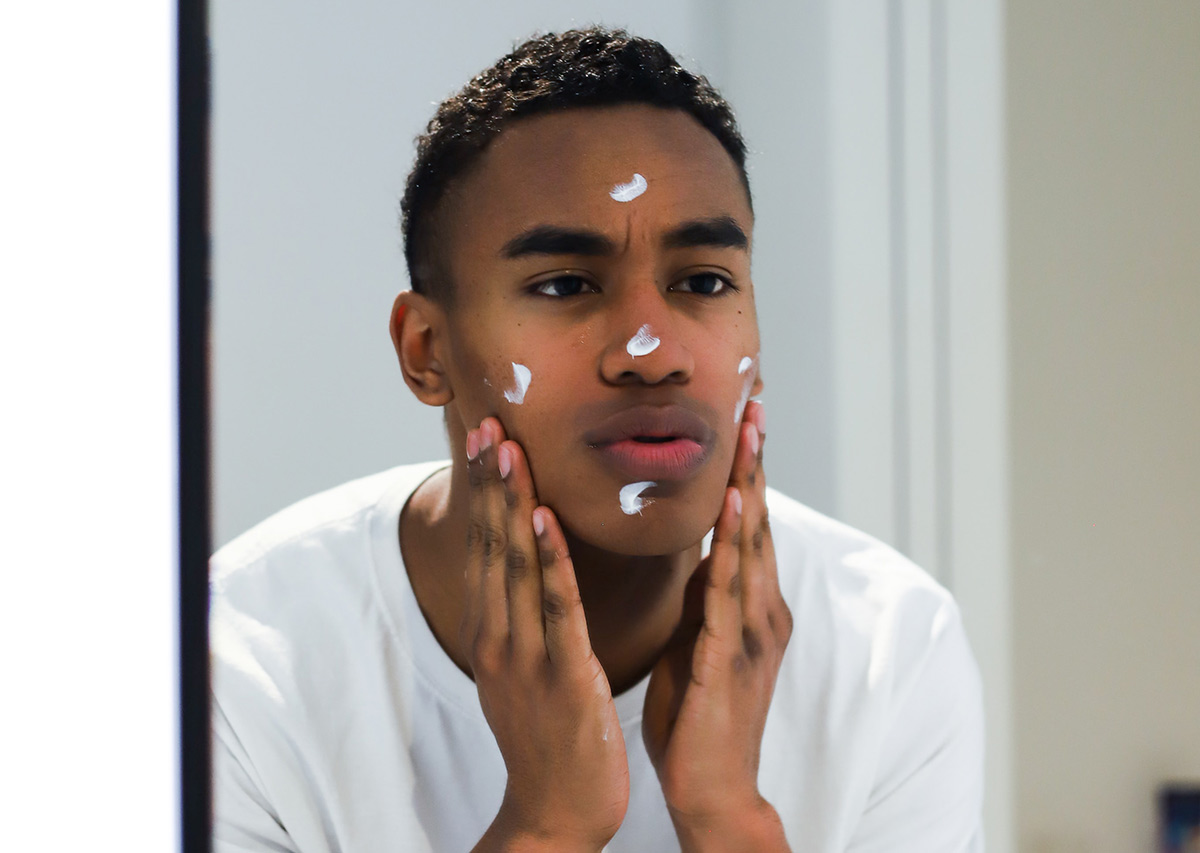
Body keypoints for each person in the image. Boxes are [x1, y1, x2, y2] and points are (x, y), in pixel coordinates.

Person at [211, 27, 984, 853]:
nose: (653, 353)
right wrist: (547, 824)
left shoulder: (890, 646)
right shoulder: (234, 664)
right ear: (425, 351)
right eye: (566, 284)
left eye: (704, 282)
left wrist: (728, 816)